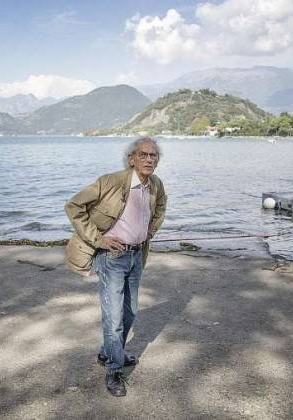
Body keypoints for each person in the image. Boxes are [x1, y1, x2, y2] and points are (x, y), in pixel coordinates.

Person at [64, 136, 167, 397]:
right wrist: (99, 239)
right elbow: (74, 205)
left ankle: (109, 351)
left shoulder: (155, 185)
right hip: (112, 259)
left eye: (153, 155)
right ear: (131, 158)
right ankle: (114, 369)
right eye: (143, 155)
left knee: (130, 312)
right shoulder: (111, 182)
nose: (149, 159)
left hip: (136, 257)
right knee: (114, 318)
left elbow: (161, 207)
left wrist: (150, 230)